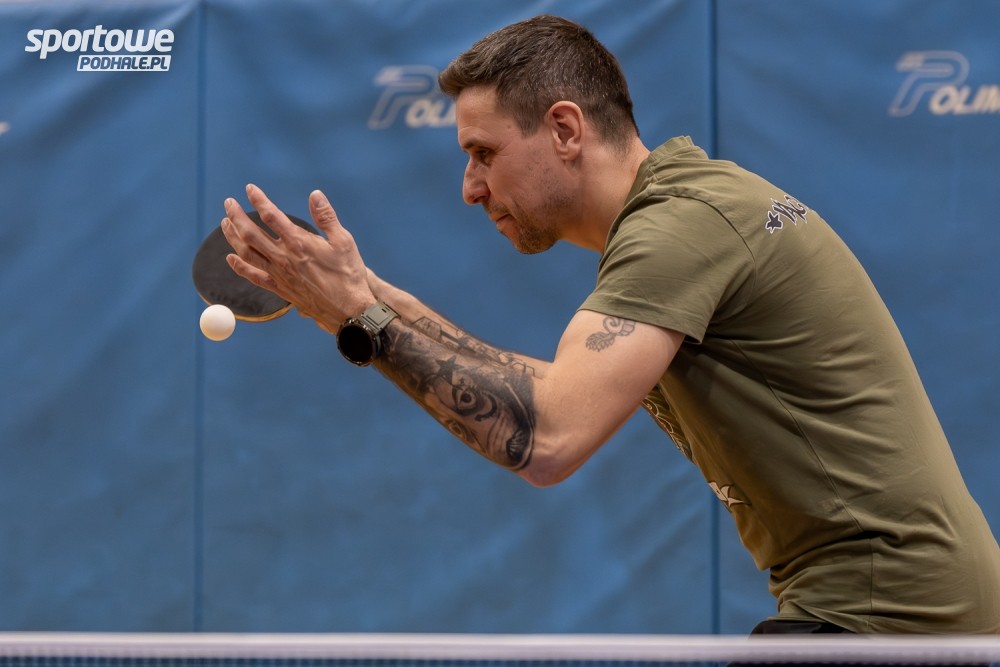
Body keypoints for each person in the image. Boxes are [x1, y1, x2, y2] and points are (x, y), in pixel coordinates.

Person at [220, 15, 1000, 637]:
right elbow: (547, 390)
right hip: (898, 604)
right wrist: (365, 293)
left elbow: (548, 436)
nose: (470, 187)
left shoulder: (678, 229)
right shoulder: (687, 209)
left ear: (565, 128)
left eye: (484, 153)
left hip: (890, 610)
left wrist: (361, 318)